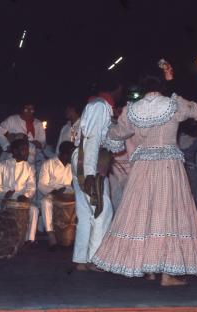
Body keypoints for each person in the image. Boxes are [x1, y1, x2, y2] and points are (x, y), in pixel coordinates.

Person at [92, 65, 197, 286]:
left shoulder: (132, 110)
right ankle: (166, 274)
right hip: (168, 165)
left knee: (144, 213)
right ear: (162, 83)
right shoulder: (173, 104)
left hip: (143, 167)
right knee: (168, 214)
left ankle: (149, 268)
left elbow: (114, 136)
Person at [71, 74, 124, 271]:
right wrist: (90, 173)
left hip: (87, 158)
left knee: (87, 212)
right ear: (116, 88)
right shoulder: (100, 106)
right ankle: (96, 259)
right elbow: (92, 139)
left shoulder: (100, 105)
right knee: (102, 209)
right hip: (89, 159)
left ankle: (81, 259)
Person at [0, 138, 38, 243]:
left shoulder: (29, 167)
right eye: (24, 149)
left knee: (34, 209)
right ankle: (1, 240)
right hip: (5, 199)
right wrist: (4, 194)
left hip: (22, 199)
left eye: (27, 150)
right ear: (15, 151)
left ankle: (29, 240)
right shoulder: (2, 165)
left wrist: (26, 195)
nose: (27, 153)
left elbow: (31, 187)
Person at [38, 141, 75, 250]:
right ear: (64, 154)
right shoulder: (48, 164)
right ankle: (51, 234)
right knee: (45, 201)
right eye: (71, 154)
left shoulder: (73, 165)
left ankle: (74, 233)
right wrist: (55, 191)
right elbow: (41, 185)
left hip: (69, 195)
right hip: (53, 193)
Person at [0, 104, 46, 169]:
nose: (29, 111)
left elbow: (43, 143)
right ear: (21, 109)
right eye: (26, 109)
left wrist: (39, 144)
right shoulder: (12, 119)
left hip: (31, 161)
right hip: (12, 158)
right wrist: (7, 146)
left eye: (31, 109)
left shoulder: (38, 123)